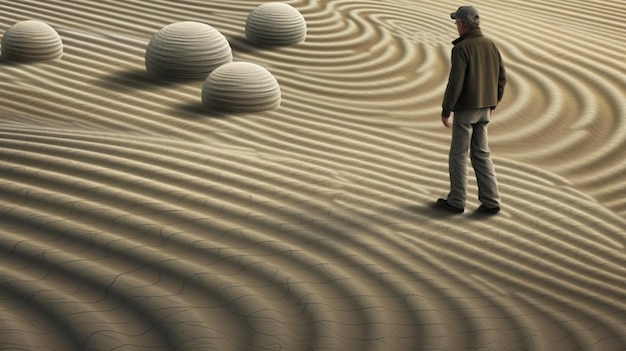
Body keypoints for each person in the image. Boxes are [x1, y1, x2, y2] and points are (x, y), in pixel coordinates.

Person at [437, 5, 506, 214]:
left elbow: (455, 82)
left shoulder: (461, 48)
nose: (456, 26)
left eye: (456, 22)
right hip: (485, 108)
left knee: (458, 154)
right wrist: (493, 103)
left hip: (466, 109)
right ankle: (491, 200)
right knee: (482, 153)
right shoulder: (490, 45)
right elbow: (501, 78)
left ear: (462, 24)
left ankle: (457, 200)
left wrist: (446, 109)